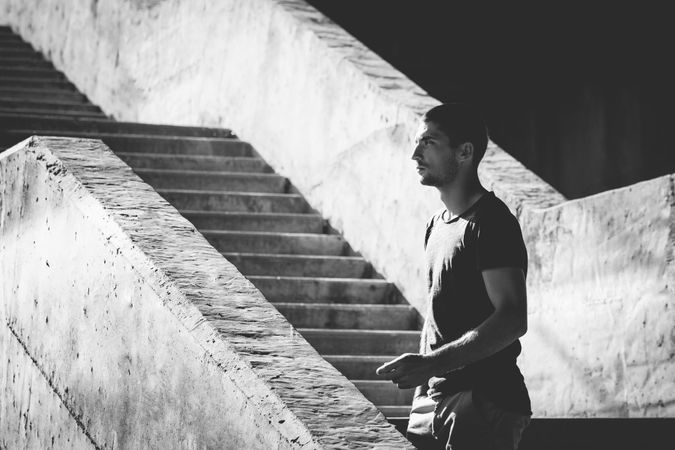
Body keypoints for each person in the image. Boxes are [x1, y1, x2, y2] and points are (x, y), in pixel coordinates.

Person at [376, 103, 532, 449]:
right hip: (432, 404)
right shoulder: (436, 225)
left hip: (483, 402)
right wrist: (422, 390)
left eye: (429, 142)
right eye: (417, 142)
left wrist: (430, 364)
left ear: (464, 152)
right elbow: (435, 316)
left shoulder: (491, 223)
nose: (415, 153)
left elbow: (511, 318)